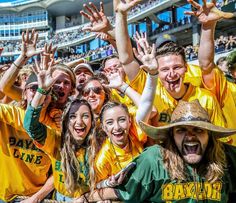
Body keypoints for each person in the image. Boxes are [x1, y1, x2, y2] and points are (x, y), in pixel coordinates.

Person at [79, 100, 236, 202]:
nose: (190, 137)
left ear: (209, 134)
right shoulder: (154, 160)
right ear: (171, 136)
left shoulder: (227, 157)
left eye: (198, 130)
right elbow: (124, 191)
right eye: (181, 130)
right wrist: (85, 199)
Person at [23, 57, 96, 201]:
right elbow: (30, 124)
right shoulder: (44, 115)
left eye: (66, 83)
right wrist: (41, 90)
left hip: (83, 195)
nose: (60, 86)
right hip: (46, 188)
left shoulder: (93, 134)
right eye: (56, 82)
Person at [95, 102, 143, 183]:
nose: (117, 127)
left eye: (122, 120)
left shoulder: (136, 134)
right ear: (103, 127)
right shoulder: (102, 161)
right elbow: (97, 189)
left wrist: (124, 88)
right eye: (110, 122)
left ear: (130, 121)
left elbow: (152, 109)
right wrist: (109, 185)